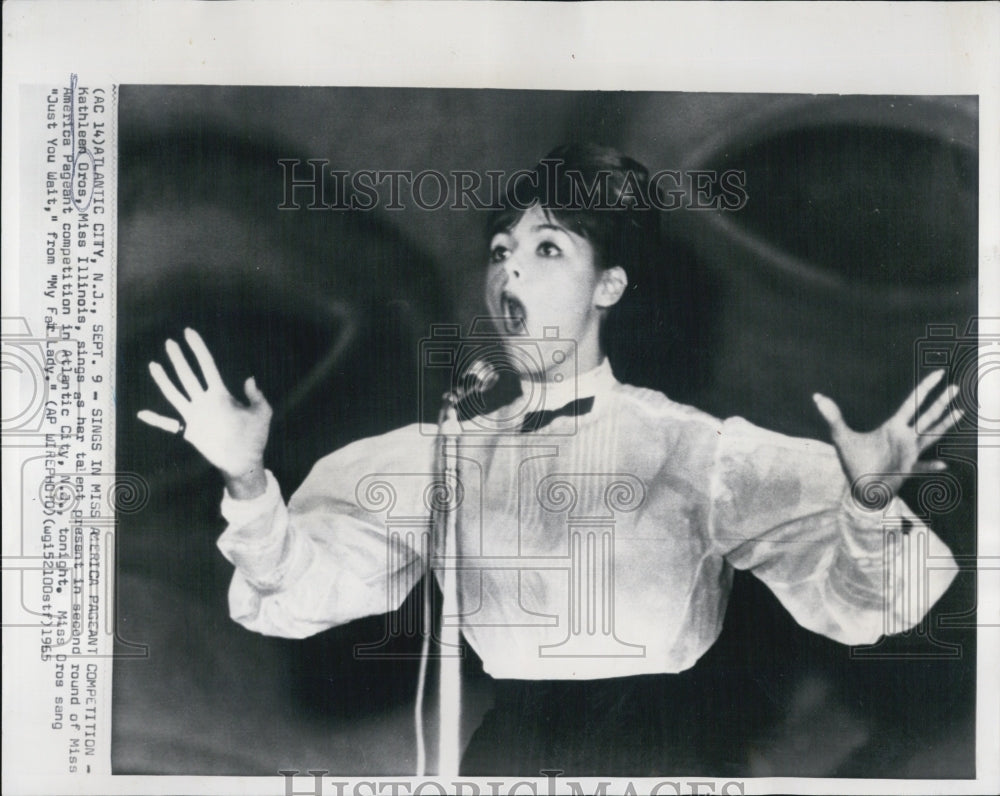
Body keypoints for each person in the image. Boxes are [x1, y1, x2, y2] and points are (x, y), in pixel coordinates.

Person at [138, 143, 962, 776]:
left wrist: (866, 501)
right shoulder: (449, 454)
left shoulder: (695, 448)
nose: (509, 269)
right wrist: (246, 478)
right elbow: (300, 587)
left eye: (546, 250)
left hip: (662, 751)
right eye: (501, 250)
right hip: (509, 751)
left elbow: (873, 604)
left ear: (609, 286)